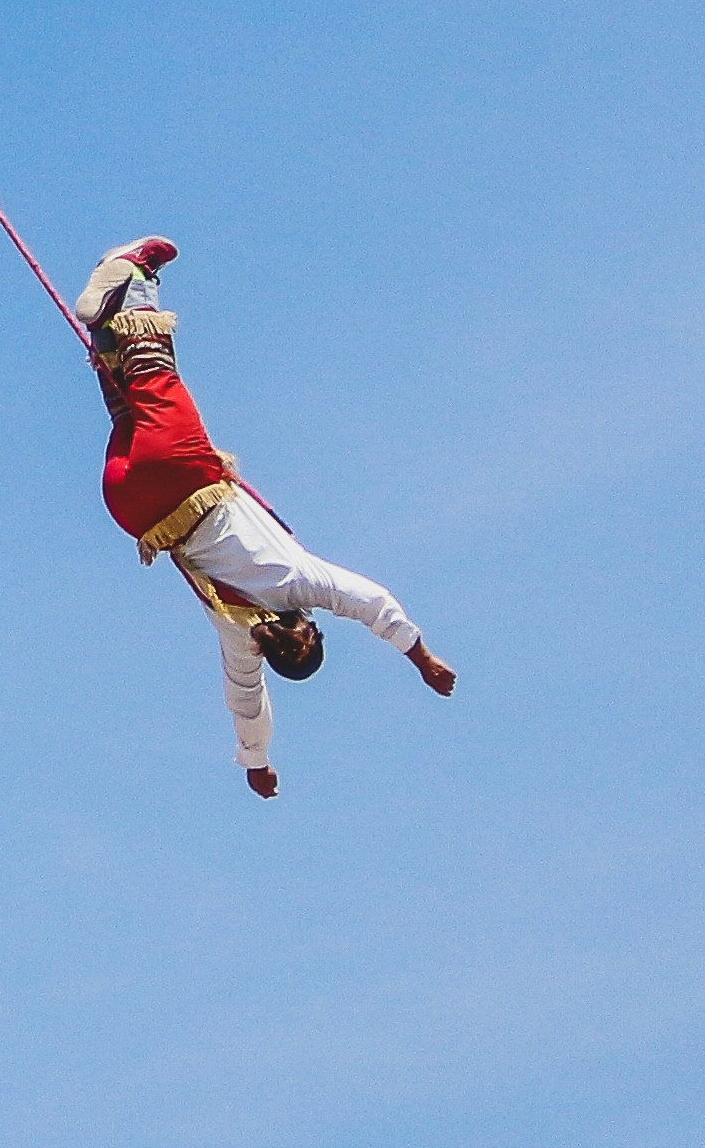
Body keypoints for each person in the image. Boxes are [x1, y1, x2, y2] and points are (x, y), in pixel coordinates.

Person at [81, 241, 453, 797]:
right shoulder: (237, 636)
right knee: (125, 398)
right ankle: (106, 325)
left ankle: (134, 276)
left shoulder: (296, 582)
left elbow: (371, 602)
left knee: (154, 369)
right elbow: (246, 703)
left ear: (307, 626)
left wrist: (420, 656)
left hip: (183, 478)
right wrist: (254, 762)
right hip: (129, 506)